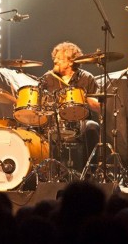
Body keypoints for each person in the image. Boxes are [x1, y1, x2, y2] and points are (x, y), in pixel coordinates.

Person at [41, 41, 100, 171]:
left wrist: (84, 97)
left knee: (92, 127)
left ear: (71, 62)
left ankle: (91, 171)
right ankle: (50, 174)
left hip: (81, 122)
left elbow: (98, 107)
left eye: (59, 59)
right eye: (54, 58)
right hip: (54, 122)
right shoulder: (47, 78)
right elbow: (39, 103)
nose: (55, 61)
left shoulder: (86, 78)